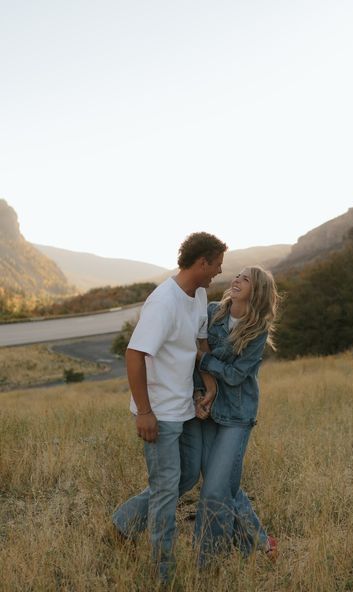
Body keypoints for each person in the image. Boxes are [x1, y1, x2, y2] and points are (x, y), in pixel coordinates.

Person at [112, 231, 227, 583]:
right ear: (201, 262)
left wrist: (208, 385)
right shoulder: (164, 302)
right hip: (159, 411)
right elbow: (134, 354)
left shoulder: (200, 293)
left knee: (187, 475)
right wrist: (144, 411)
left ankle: (124, 522)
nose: (218, 273)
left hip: (185, 406)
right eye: (217, 266)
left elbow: (200, 343)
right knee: (165, 489)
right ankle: (163, 571)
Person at [193, 265, 280, 565]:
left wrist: (205, 359)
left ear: (258, 292)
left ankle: (208, 564)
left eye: (247, 279)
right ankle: (256, 542)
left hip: (237, 416)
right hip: (207, 410)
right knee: (224, 485)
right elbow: (196, 349)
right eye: (238, 275)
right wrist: (200, 394)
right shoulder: (214, 311)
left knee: (215, 488)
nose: (238, 280)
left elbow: (234, 376)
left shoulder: (257, 331)